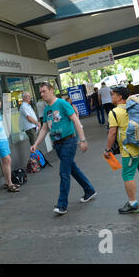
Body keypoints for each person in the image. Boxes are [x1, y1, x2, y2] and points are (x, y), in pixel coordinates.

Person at [30, 83, 97, 215]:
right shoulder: (46, 109)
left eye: (44, 91)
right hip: (58, 144)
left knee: (64, 172)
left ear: (51, 90)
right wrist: (36, 143)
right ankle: (89, 190)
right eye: (40, 92)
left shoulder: (62, 104)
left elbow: (76, 121)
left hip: (69, 142)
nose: (42, 94)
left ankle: (62, 205)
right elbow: (44, 128)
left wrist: (82, 140)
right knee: (72, 169)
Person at [104, 86, 139, 214]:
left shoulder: (114, 112)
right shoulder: (138, 108)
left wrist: (107, 149)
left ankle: (133, 204)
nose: (111, 97)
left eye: (113, 94)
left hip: (129, 150)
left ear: (120, 96)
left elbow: (112, 132)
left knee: (127, 175)